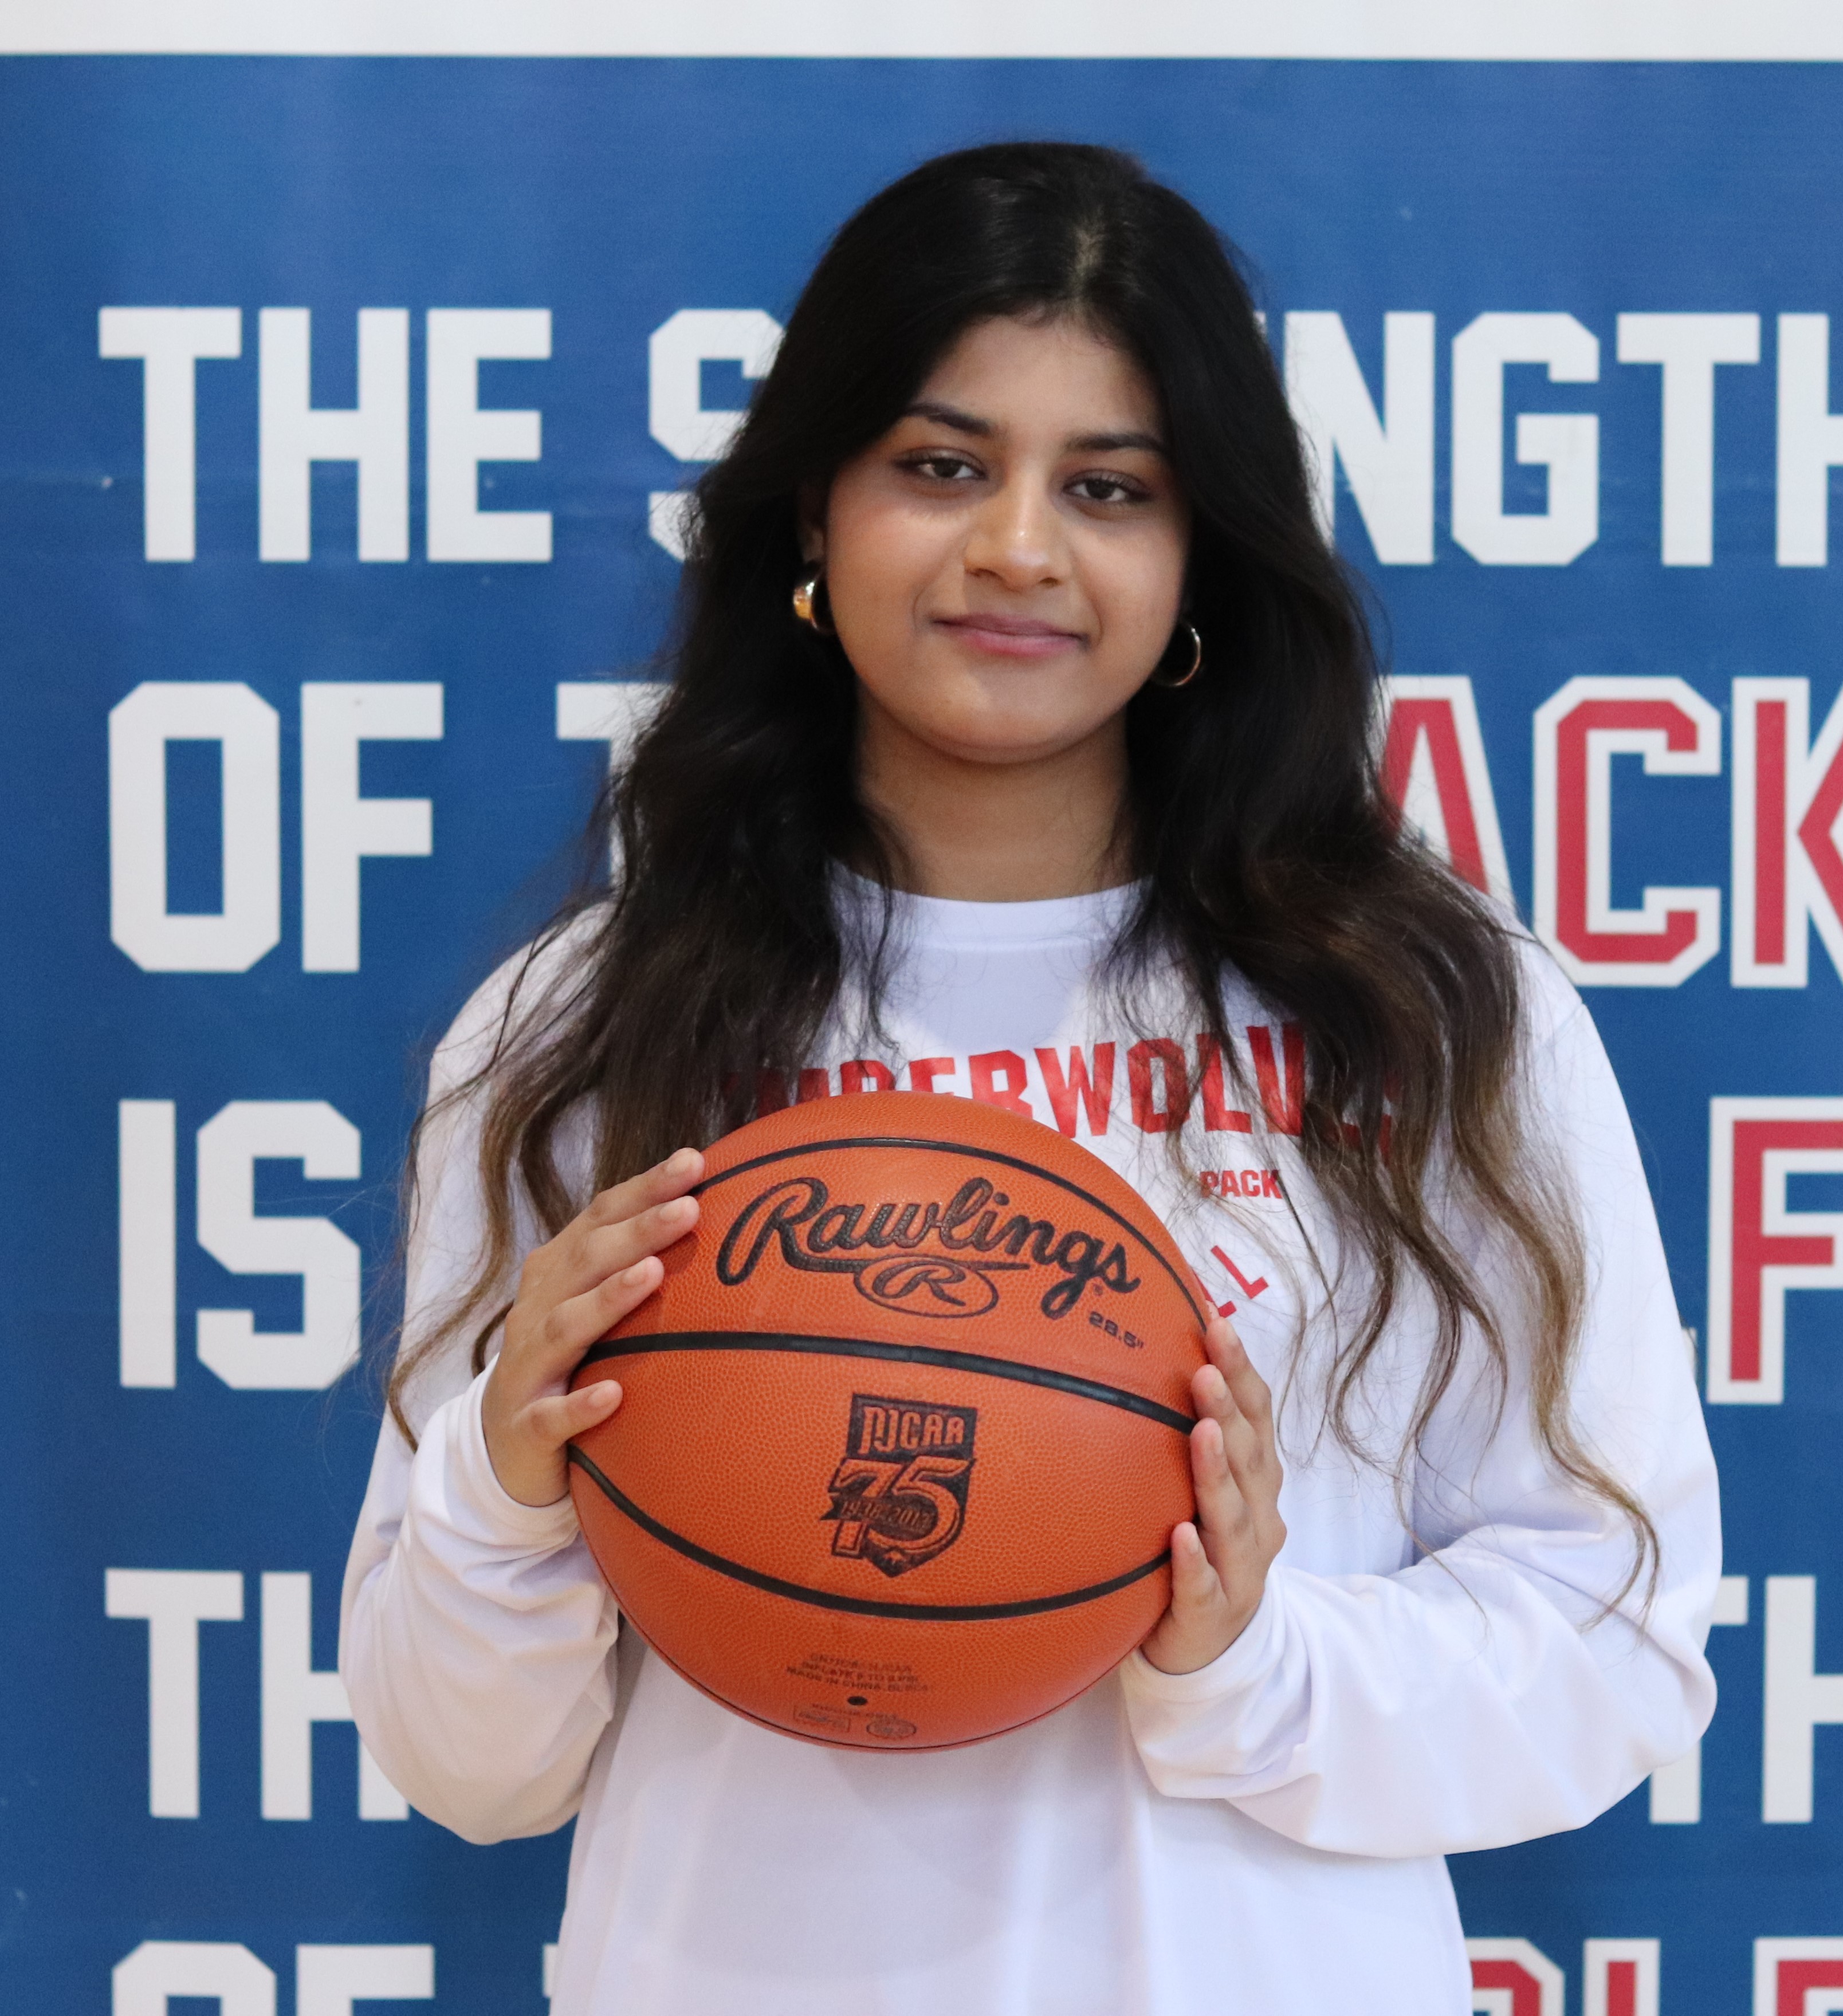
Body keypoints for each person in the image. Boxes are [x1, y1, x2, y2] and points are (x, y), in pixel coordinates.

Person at [341, 142, 1719, 2015]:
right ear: (813, 514)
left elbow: (1612, 1644)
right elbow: (465, 1768)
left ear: (1201, 552)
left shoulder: (1430, 1015)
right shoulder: (583, 1026)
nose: (1016, 548)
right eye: (940, 466)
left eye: (1109, 488)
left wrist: (1247, 1660)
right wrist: (507, 1488)